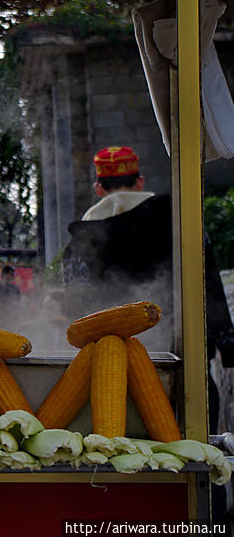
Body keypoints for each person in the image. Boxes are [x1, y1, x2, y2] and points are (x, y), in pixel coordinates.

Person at [62, 146, 234, 430]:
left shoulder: (79, 242)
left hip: (114, 376)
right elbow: (208, 280)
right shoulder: (179, 219)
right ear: (140, 181)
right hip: (186, 363)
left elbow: (77, 310)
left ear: (98, 188)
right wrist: (227, 345)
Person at [0, 265, 22, 330]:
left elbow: (18, 304)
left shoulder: (15, 289)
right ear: (4, 274)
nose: (12, 277)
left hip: (10, 320)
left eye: (12, 275)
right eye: (10, 274)